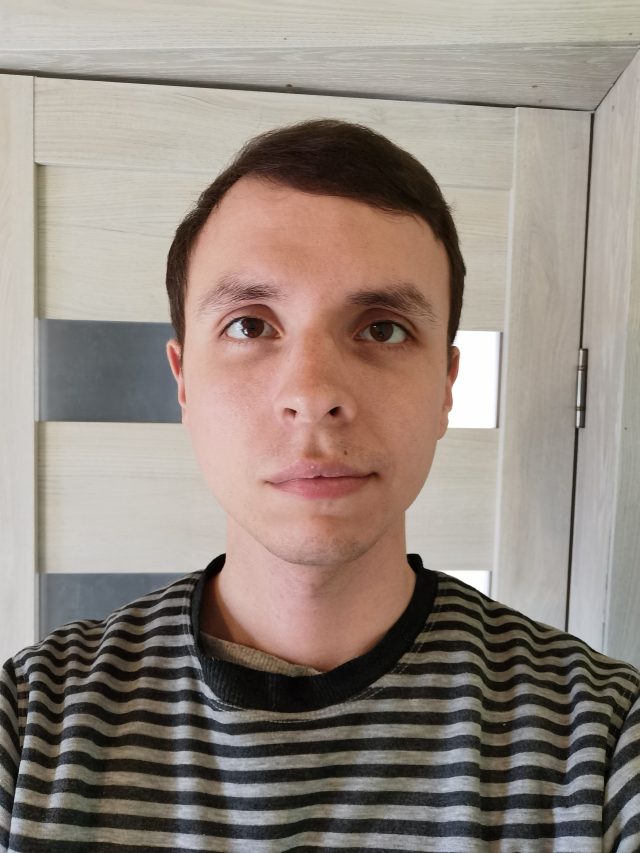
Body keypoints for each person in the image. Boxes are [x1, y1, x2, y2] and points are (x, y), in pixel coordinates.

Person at [1, 119, 638, 853]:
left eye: (382, 329)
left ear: (445, 388)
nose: (313, 393)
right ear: (184, 382)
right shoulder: (30, 724)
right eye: (249, 325)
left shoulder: (603, 740)